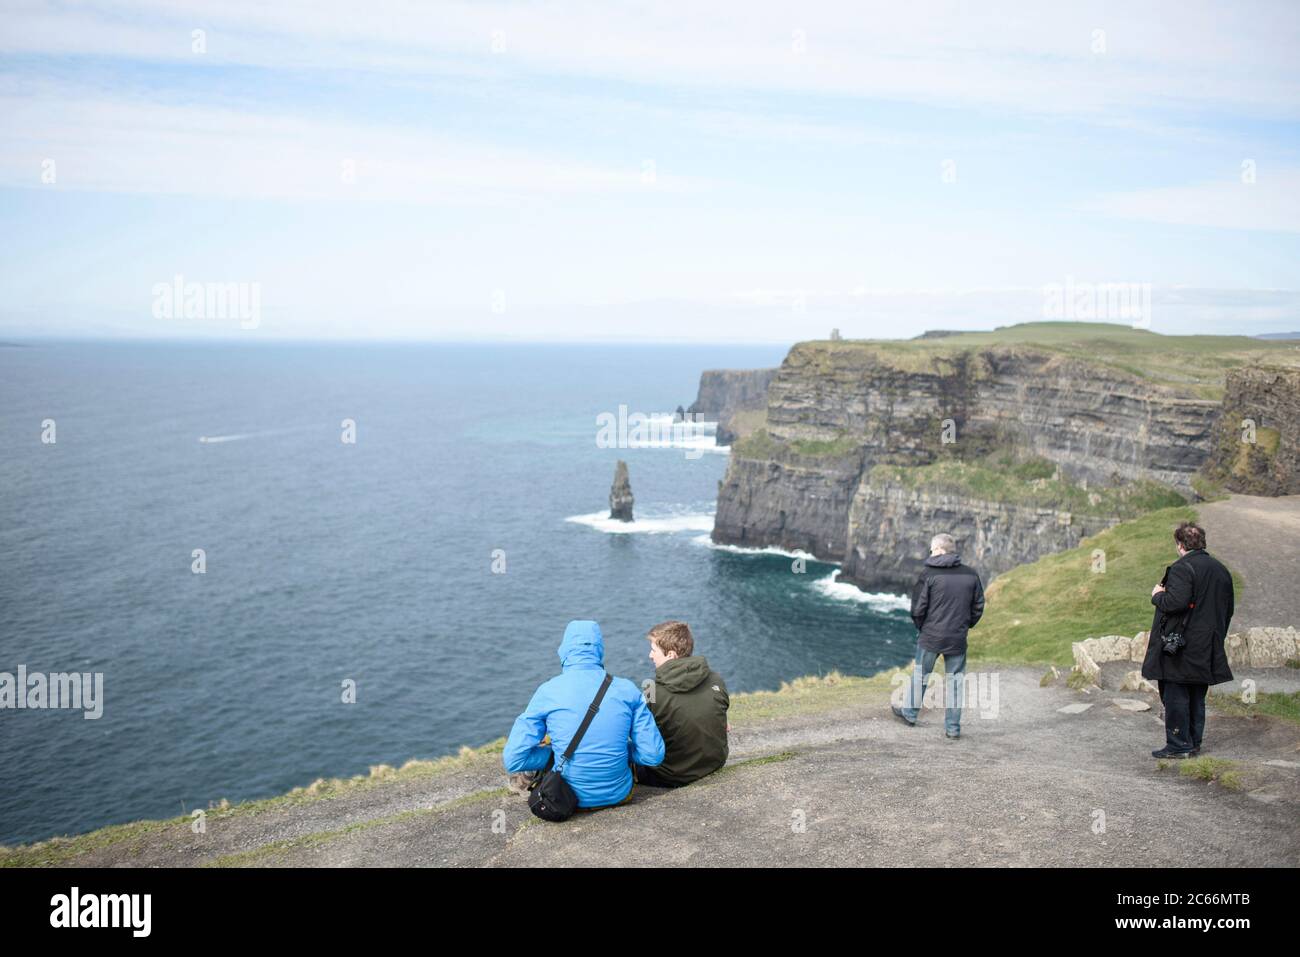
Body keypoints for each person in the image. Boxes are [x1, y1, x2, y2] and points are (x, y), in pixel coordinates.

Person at [503, 620, 665, 810]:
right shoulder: (626, 689)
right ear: (599, 651)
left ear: (564, 650)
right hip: (619, 794)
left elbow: (514, 759)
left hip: (563, 797)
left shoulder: (547, 691)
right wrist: (616, 750)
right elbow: (653, 755)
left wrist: (554, 755)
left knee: (548, 741)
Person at [1141, 521, 1234, 759]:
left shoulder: (1182, 568)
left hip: (1181, 645)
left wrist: (1157, 596)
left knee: (1175, 693)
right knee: (1196, 695)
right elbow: (1228, 609)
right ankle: (1193, 743)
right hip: (1207, 644)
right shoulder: (1221, 570)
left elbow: (1176, 603)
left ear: (1180, 545)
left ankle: (1178, 744)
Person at [892, 533, 985, 738]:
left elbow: (917, 609)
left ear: (941, 550)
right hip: (957, 638)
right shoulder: (971, 574)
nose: (930, 554)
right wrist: (965, 625)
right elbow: (978, 606)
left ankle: (909, 713)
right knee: (955, 682)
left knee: (921, 676)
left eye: (932, 550)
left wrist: (922, 628)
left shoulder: (928, 574)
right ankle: (952, 728)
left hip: (931, 636)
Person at [633, 620, 729, 788]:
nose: (650, 655)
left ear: (670, 655)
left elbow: (640, 735)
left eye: (653, 650)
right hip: (715, 763)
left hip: (671, 775)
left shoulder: (650, 689)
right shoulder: (716, 679)